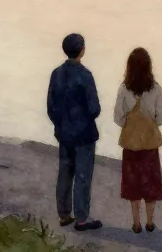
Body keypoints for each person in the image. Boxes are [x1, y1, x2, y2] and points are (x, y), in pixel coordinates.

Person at [46, 33, 104, 231]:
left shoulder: (56, 74)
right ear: (82, 50)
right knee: (82, 176)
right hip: (84, 134)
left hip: (64, 133)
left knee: (65, 173)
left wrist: (60, 123)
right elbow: (94, 109)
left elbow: (50, 107)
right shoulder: (85, 75)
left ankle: (64, 215)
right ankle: (81, 219)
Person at [114, 47, 162, 233]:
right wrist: (150, 124)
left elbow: (118, 117)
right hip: (149, 145)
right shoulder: (156, 89)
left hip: (131, 145)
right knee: (150, 184)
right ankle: (150, 223)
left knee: (133, 184)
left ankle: (136, 223)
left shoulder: (123, 89)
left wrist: (129, 125)